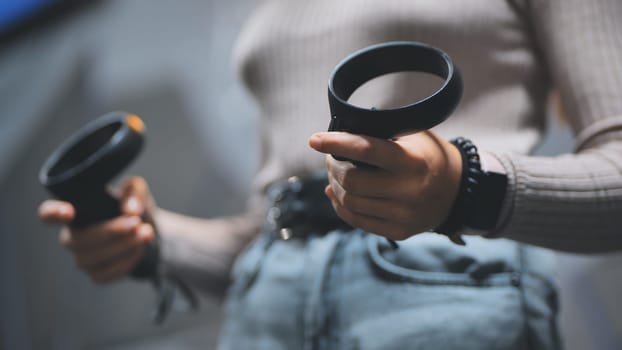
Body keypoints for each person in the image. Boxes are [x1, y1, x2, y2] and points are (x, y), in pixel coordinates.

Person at [39, 0, 622, 349]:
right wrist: (152, 241)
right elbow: (284, 232)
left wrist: (465, 186)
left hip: (446, 295)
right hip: (261, 318)